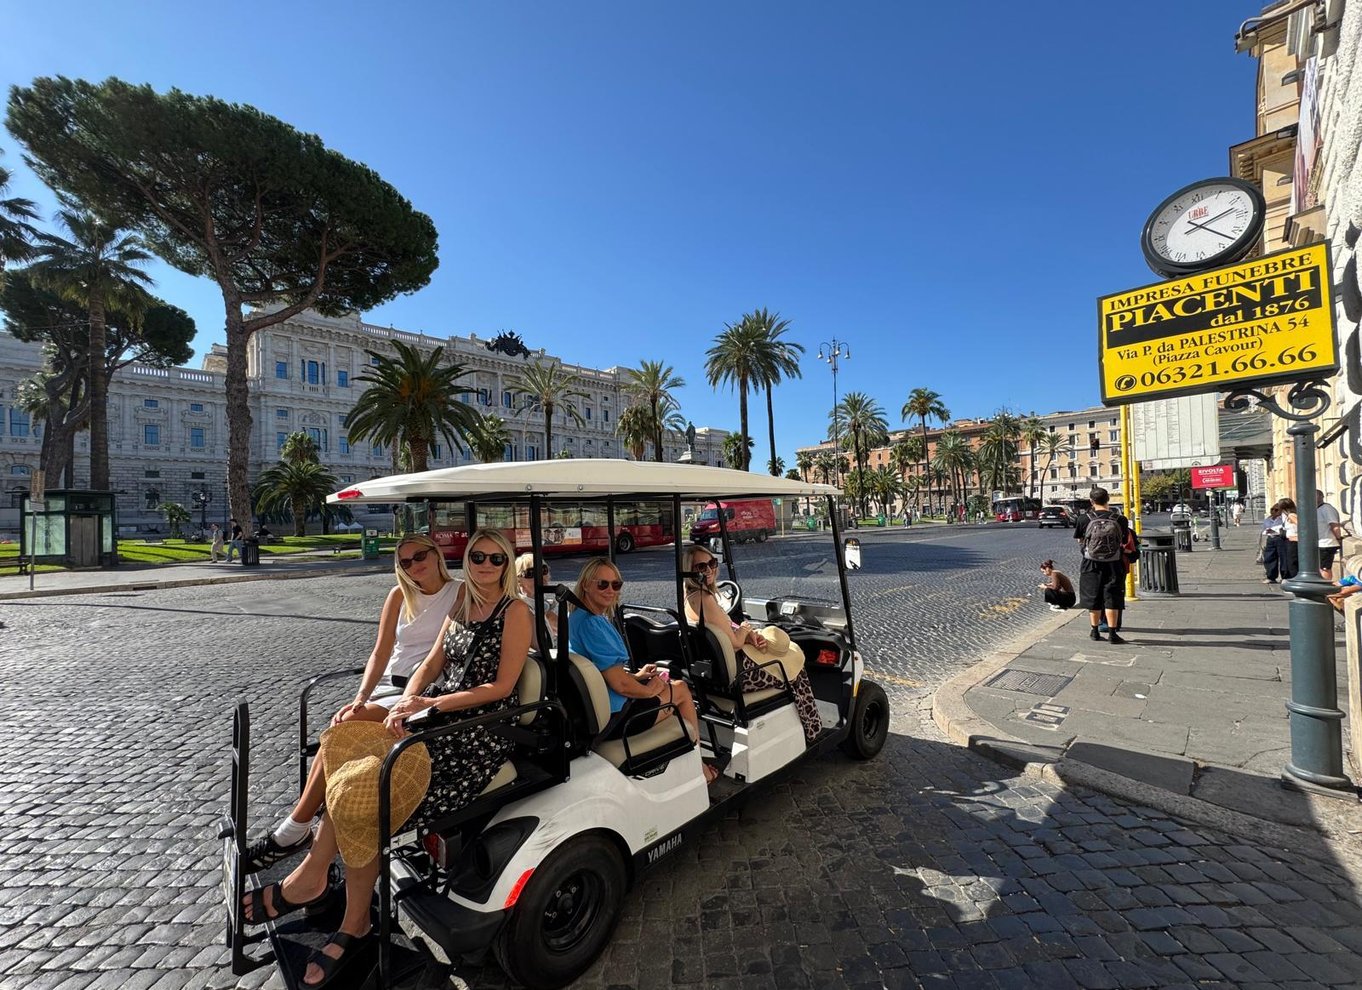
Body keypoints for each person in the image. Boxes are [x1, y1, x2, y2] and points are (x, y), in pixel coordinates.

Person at [243, 529, 529, 988]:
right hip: (434, 715)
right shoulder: (462, 605)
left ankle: (333, 901)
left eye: (497, 559)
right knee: (341, 743)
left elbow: (501, 687)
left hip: (474, 731)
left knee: (363, 787)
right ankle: (316, 875)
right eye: (478, 556)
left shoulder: (514, 611)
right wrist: (406, 702)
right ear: (467, 558)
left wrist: (429, 704)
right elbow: (431, 664)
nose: (486, 565)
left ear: (507, 564)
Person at [241, 534, 461, 871]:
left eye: (420, 556)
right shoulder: (399, 595)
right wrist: (361, 696)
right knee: (343, 726)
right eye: (405, 562)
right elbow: (381, 652)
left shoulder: (459, 593)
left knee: (342, 728)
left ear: (436, 554)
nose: (414, 565)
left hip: (418, 691)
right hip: (388, 685)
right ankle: (307, 825)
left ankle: (295, 828)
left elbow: (439, 658)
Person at [566, 558, 709, 778]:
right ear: (585, 585)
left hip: (600, 707)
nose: (610, 590)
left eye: (616, 585)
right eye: (602, 584)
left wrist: (637, 676)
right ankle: (699, 767)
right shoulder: (592, 624)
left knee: (668, 686)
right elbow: (620, 685)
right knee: (681, 689)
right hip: (617, 717)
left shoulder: (577, 617)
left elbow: (605, 673)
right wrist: (649, 690)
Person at [682, 544, 822, 744]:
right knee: (795, 668)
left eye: (712, 563)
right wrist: (746, 630)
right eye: (701, 567)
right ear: (689, 570)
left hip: (715, 671)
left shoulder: (689, 596)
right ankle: (812, 730)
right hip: (740, 674)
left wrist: (748, 636)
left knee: (786, 659)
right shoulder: (705, 599)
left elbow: (725, 632)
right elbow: (735, 643)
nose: (710, 570)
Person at [1073, 487, 1129, 644]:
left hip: (1090, 563)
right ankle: (1112, 633)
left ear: (1091, 501)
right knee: (1112, 597)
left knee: (1093, 596)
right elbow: (1124, 540)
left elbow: (1080, 540)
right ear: (1108, 499)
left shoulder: (1083, 519)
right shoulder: (1120, 519)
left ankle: (1094, 631)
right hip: (1114, 563)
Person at [515, 552, 557, 650]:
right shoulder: (522, 609)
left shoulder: (542, 605)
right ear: (518, 580)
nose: (540, 576)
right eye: (530, 573)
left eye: (543, 570)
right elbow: (540, 647)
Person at [1317, 489, 1344, 581]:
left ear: (1321, 497)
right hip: (1320, 543)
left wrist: (1338, 538)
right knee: (1320, 568)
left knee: (1325, 568)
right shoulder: (1317, 509)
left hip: (1327, 543)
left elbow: (1334, 525)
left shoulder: (1327, 508)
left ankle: (1326, 586)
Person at [1260, 502, 1285, 584]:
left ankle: (1285, 577)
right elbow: (1263, 530)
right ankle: (1271, 577)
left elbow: (1285, 529)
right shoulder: (1267, 519)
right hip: (1270, 538)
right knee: (1269, 558)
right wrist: (1267, 532)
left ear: (1281, 511)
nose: (1273, 511)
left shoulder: (1283, 519)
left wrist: (1275, 531)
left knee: (1283, 558)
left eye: (1276, 510)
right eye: (1272, 509)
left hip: (1280, 538)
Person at [1278, 498, 1300, 581]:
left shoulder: (1291, 515)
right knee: (1289, 561)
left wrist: (1297, 537)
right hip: (1289, 540)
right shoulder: (1288, 515)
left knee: (1292, 562)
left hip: (1293, 541)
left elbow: (1302, 526)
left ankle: (1294, 579)